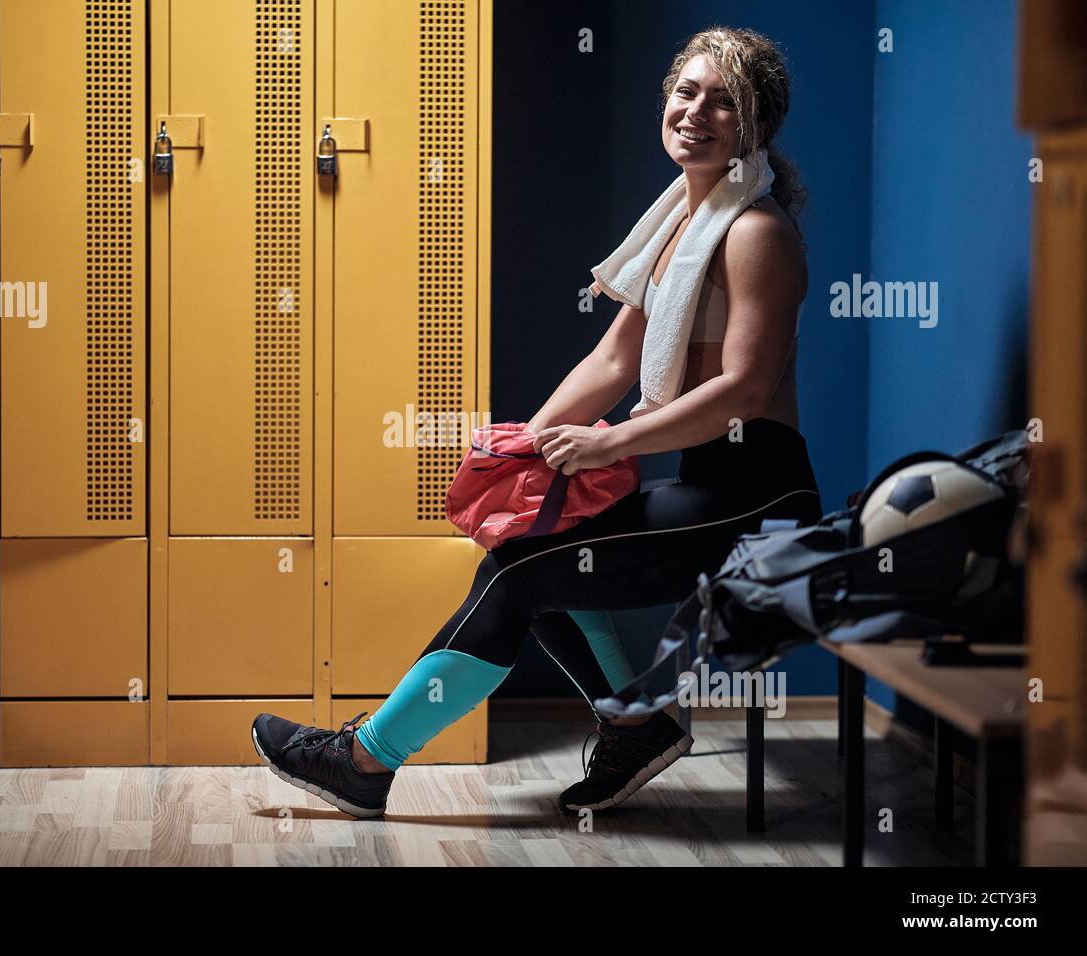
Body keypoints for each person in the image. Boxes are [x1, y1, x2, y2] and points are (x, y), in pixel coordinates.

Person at [252, 26, 822, 819]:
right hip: (707, 485)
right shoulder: (677, 231)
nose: (696, 111)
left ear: (756, 125)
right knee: (530, 544)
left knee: (520, 577)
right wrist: (527, 453)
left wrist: (608, 441)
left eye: (725, 101)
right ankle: (636, 725)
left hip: (758, 504)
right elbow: (614, 363)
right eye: (686, 91)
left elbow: (744, 392)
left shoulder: (755, 231)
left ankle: (363, 759)